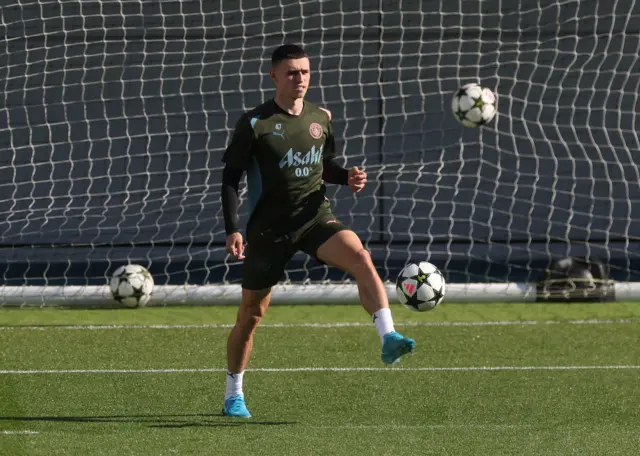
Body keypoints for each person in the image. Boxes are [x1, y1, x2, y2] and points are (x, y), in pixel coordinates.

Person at [220, 44, 415, 418]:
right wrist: (233, 229)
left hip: (315, 218)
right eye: (292, 72)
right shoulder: (255, 123)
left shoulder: (321, 117)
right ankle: (234, 393)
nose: (300, 79)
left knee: (360, 256)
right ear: (274, 75)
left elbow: (324, 166)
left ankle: (388, 335)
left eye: (305, 72)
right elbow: (230, 177)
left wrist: (347, 177)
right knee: (251, 316)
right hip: (270, 230)